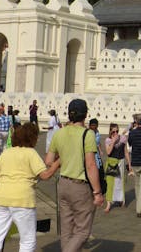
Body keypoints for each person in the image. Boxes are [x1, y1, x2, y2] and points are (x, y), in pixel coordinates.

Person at [0, 123, 60, 252]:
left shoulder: (6, 153)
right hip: (23, 200)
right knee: (27, 240)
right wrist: (58, 162)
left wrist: (5, 189)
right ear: (32, 138)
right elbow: (45, 175)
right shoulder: (30, 153)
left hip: (1, 198)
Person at [45, 99, 105, 252]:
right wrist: (97, 192)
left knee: (67, 230)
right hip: (80, 187)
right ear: (85, 115)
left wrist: (64, 159)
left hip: (63, 184)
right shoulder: (88, 134)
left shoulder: (59, 133)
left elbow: (48, 160)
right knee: (82, 231)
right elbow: (91, 165)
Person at [103, 123, 129, 212]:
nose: (115, 133)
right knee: (110, 183)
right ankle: (109, 203)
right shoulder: (108, 140)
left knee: (120, 183)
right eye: (113, 131)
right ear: (110, 131)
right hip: (111, 163)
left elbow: (126, 152)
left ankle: (121, 199)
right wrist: (113, 141)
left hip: (121, 162)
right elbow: (108, 152)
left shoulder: (123, 139)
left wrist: (129, 164)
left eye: (117, 131)